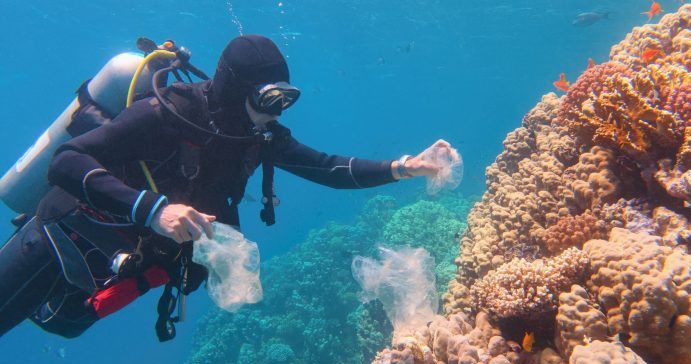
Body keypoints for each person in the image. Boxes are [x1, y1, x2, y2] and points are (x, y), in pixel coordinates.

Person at [0, 35, 455, 340]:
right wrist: (153, 210)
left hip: (125, 262)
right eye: (270, 98)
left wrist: (403, 167)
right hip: (63, 239)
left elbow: (327, 168)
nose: (278, 112)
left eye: (287, 99)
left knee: (65, 323)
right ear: (237, 89)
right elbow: (66, 160)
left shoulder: (259, 136)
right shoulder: (165, 114)